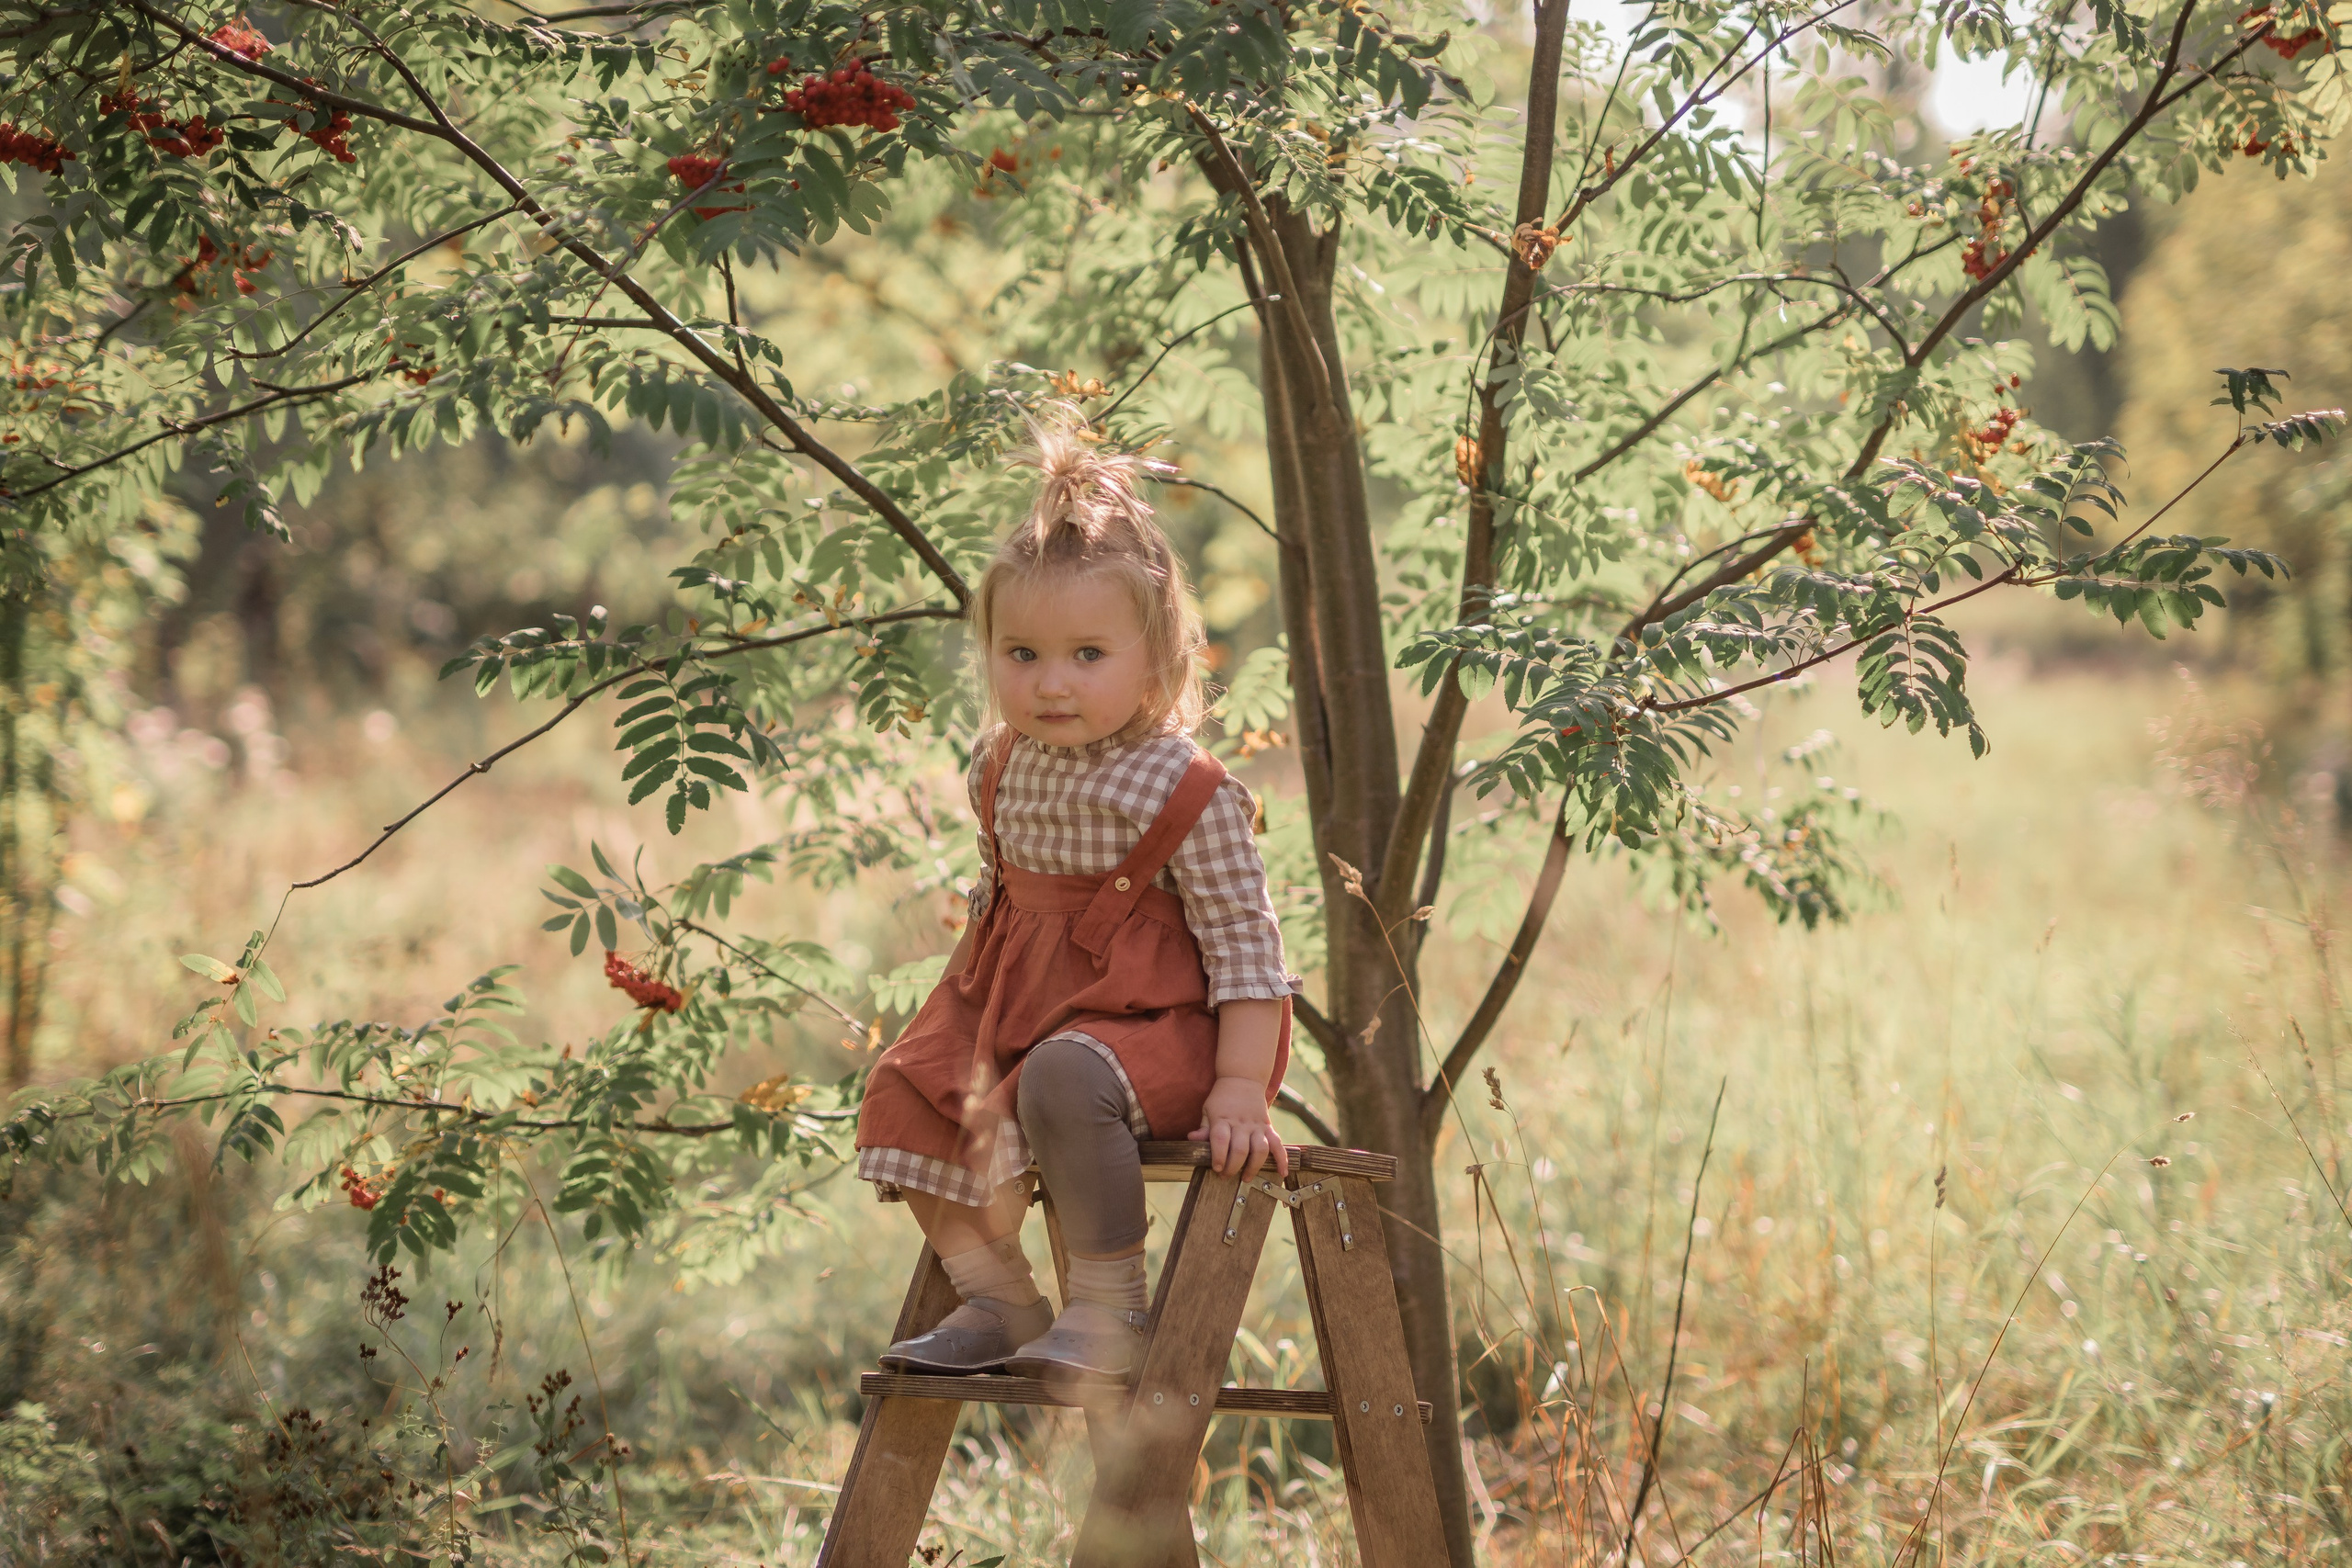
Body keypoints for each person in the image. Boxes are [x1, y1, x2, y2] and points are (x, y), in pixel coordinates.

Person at [854, 411, 1296, 1388]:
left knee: (1063, 1074)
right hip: (1019, 1006)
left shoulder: (1185, 787)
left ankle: (1107, 1312)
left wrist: (1237, 1086)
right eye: (1022, 655)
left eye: (1087, 656)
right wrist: (965, 1030)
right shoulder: (1000, 765)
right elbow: (997, 901)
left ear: (1157, 657)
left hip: (1157, 1032)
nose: (1050, 683)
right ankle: (999, 1294)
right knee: (901, 1084)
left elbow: (1244, 946)